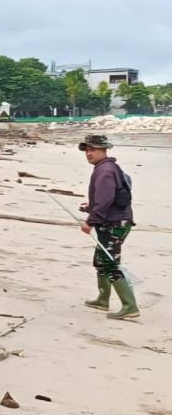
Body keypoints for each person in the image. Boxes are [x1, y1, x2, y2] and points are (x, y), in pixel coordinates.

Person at [78, 135, 139, 319]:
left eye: (93, 149)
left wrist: (90, 221)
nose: (89, 153)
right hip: (112, 221)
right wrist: (90, 207)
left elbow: (105, 200)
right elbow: (110, 198)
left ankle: (130, 307)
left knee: (111, 263)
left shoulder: (104, 170)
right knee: (101, 261)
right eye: (87, 150)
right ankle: (103, 300)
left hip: (115, 224)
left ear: (103, 150)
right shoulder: (107, 167)